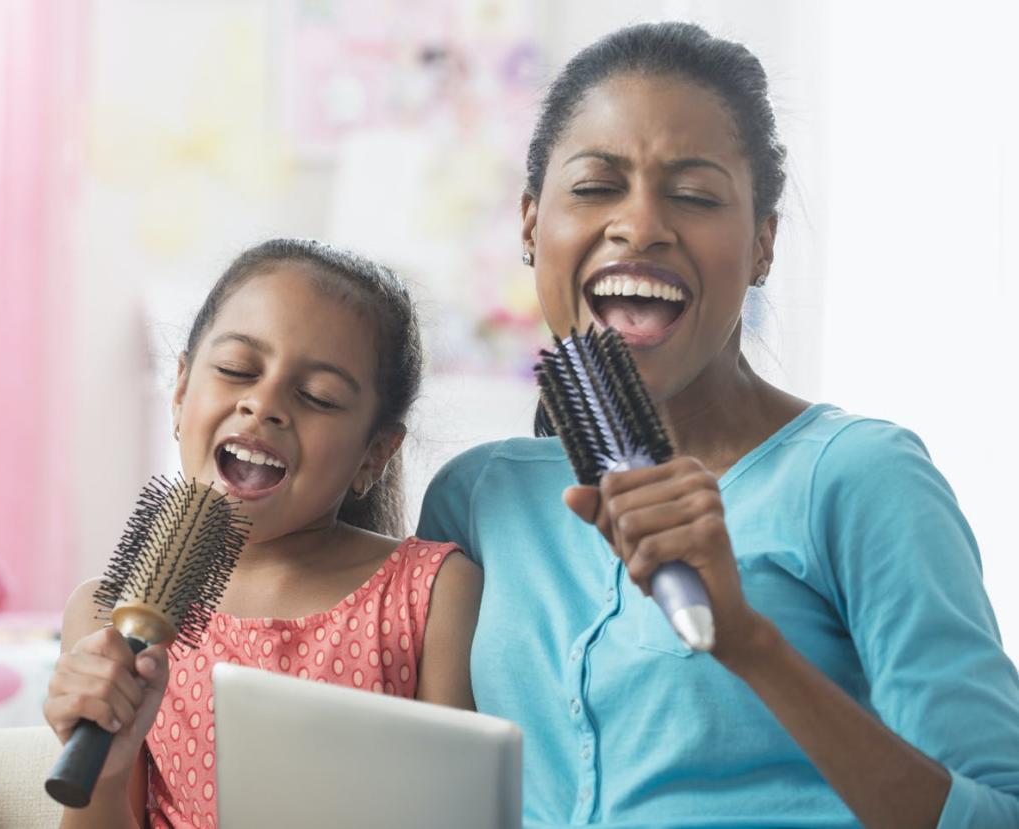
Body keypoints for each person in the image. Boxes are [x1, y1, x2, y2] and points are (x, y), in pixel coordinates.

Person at [417, 21, 1019, 829]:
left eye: (695, 196)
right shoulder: (476, 499)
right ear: (531, 225)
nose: (642, 226)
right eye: (597, 186)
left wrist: (749, 642)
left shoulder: (861, 477)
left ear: (763, 244)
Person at [45, 238, 483, 829]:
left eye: (318, 397)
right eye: (236, 370)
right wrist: (104, 770)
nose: (263, 403)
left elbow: (464, 811)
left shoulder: (433, 594)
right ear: (179, 392)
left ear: (374, 454)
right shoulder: (107, 616)